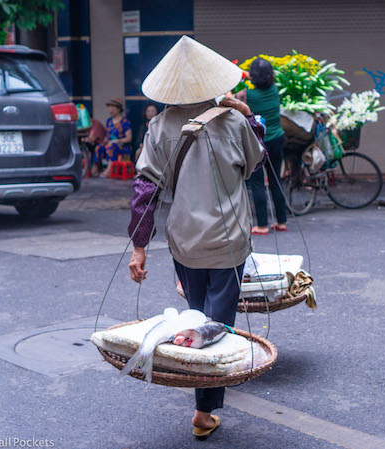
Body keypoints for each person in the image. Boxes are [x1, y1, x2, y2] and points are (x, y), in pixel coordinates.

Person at [126, 36, 265, 439]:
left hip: (183, 240)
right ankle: (204, 411)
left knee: (198, 311)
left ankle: (201, 379)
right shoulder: (234, 120)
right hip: (228, 241)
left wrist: (139, 247)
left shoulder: (159, 125)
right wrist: (247, 112)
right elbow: (257, 162)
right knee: (216, 324)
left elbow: (145, 188)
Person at [237, 57, 287, 234]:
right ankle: (281, 222)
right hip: (277, 139)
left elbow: (232, 99)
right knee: (275, 181)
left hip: (258, 142)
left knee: (258, 183)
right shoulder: (274, 90)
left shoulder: (248, 95)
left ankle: (263, 225)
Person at [94, 97, 133, 177]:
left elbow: (129, 138)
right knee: (99, 147)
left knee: (112, 146)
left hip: (123, 148)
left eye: (113, 107)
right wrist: (104, 141)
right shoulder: (109, 121)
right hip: (110, 145)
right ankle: (96, 168)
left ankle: (109, 170)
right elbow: (107, 137)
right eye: (109, 107)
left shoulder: (125, 122)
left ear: (119, 109)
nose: (110, 110)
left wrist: (117, 141)